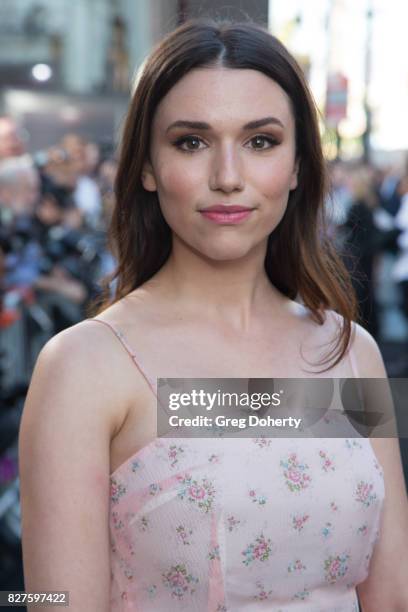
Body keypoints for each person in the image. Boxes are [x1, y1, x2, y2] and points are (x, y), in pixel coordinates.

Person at [18, 19, 408, 611]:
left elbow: (391, 592)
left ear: (299, 165)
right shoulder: (84, 366)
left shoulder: (350, 352)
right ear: (147, 166)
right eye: (191, 142)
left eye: (261, 142)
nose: (228, 178)